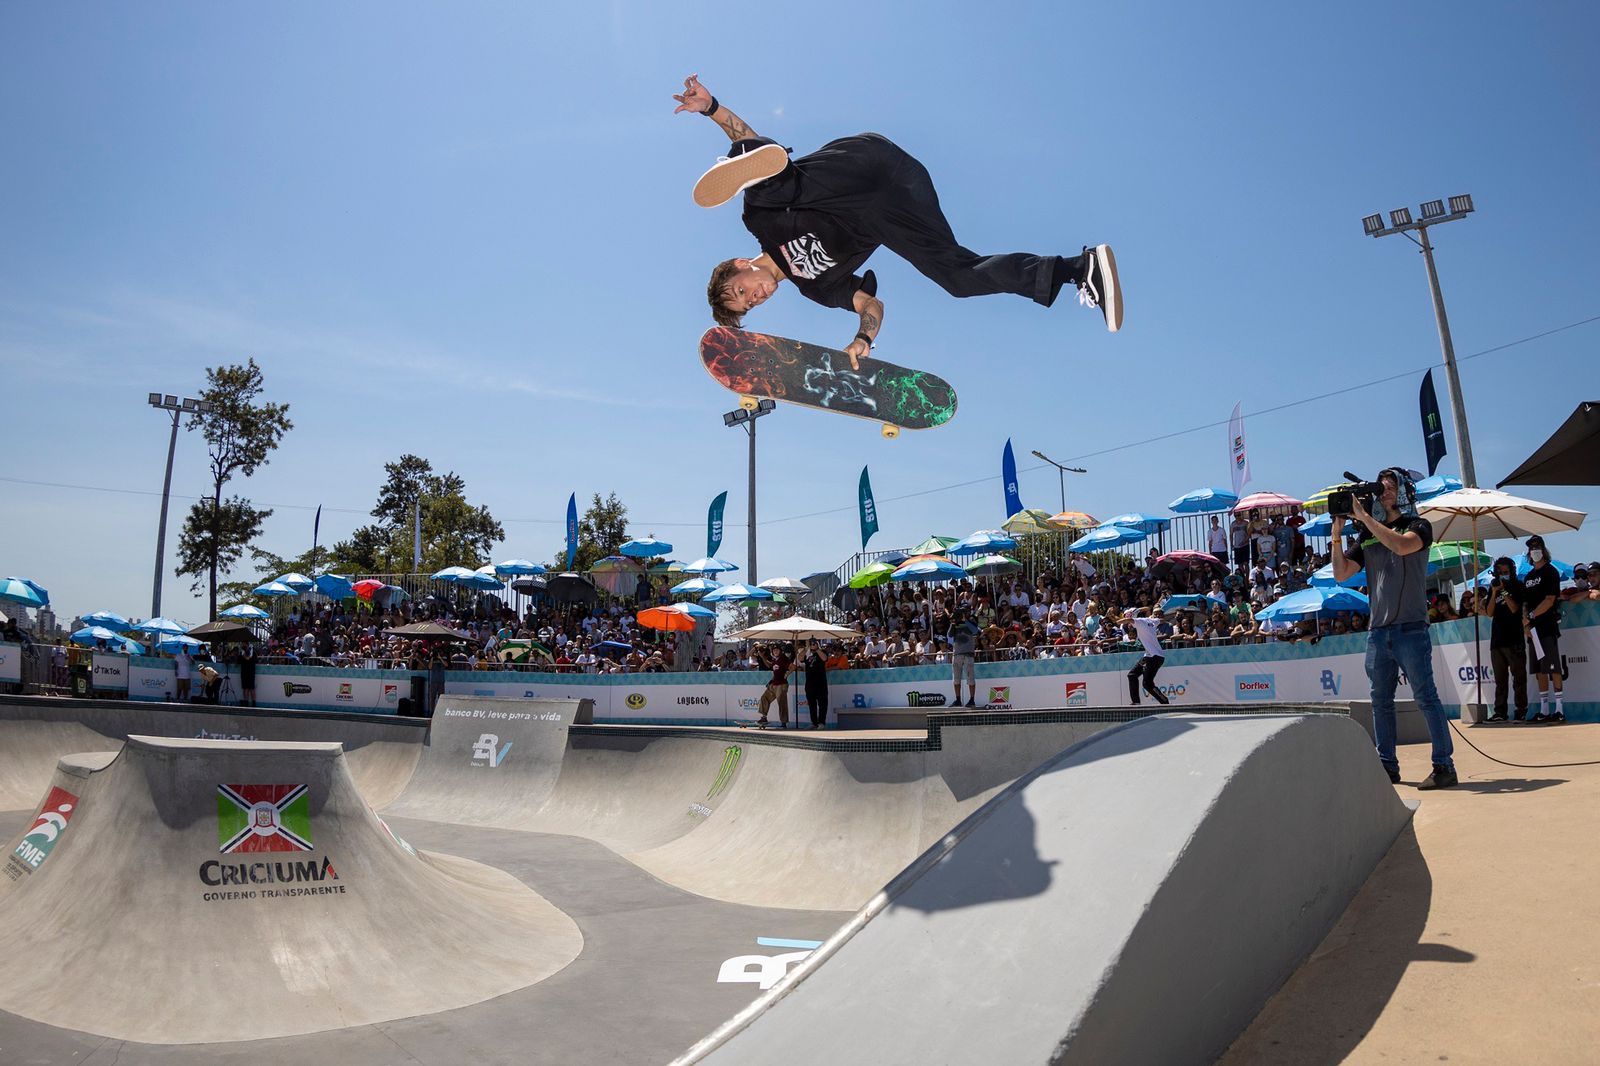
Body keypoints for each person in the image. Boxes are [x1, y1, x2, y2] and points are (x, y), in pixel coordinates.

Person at [673, 74, 1123, 367]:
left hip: (859, 165)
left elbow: (755, 146)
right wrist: (863, 339)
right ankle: (1079, 268)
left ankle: (752, 164)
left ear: (739, 264)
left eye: (742, 290)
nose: (755, 297)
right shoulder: (816, 287)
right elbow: (872, 306)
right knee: (957, 277)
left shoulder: (759, 223)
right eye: (749, 305)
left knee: (770, 196)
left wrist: (713, 109)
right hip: (899, 199)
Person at [1332, 469, 1455, 789]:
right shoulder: (1368, 535)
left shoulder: (1418, 526)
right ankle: (1387, 766)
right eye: (1380, 489)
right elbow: (1342, 573)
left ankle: (1444, 765)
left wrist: (1366, 519)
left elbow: (1402, 547)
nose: (1383, 493)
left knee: (1426, 697)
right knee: (1380, 701)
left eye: (1389, 487)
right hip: (1379, 631)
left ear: (1403, 491)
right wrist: (1337, 534)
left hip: (1411, 627)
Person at [1520, 535, 1565, 723]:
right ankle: (1544, 709)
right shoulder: (1529, 576)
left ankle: (1560, 709)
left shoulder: (1551, 572)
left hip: (1547, 626)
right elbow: (1525, 603)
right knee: (1539, 670)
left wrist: (1531, 616)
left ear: (1543, 550)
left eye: (1537, 547)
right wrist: (1526, 623)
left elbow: (1549, 600)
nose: (1534, 550)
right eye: (1532, 548)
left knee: (1553, 666)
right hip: (1533, 630)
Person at [1478, 557, 1527, 723]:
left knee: (1518, 678)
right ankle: (1500, 712)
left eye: (1505, 572)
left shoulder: (1518, 586)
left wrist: (1504, 591)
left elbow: (1514, 608)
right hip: (1497, 640)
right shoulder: (1494, 588)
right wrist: (1494, 593)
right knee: (1500, 680)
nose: (1502, 575)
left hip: (1514, 639)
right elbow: (1490, 612)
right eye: (1500, 572)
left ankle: (1521, 710)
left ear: (1511, 571)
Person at [1123, 609, 1169, 705]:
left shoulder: (1139, 621)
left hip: (1154, 657)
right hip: (1150, 656)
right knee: (1132, 675)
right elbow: (1161, 620)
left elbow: (1125, 621)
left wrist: (1117, 619)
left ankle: (1164, 701)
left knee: (1147, 683)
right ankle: (1136, 702)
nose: (1131, 625)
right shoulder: (1151, 621)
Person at [948, 610, 980, 708]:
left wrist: (965, 620)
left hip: (968, 654)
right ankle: (958, 699)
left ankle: (972, 699)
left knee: (970, 678)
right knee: (956, 679)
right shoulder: (954, 624)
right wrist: (953, 623)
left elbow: (975, 631)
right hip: (957, 653)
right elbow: (950, 635)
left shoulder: (970, 622)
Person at [755, 645, 792, 729]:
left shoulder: (783, 658)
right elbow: (769, 666)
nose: (775, 651)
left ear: (780, 651)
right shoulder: (775, 660)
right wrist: (762, 657)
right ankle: (764, 718)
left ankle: (783, 723)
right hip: (774, 684)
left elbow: (793, 667)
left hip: (781, 684)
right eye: (774, 650)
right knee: (764, 698)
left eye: (777, 650)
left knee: (782, 703)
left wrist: (787, 674)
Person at [802, 644, 830, 730]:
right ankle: (813, 722)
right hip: (810, 683)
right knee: (812, 704)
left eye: (814, 643)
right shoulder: (807, 654)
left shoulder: (822, 652)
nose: (812, 645)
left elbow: (825, 658)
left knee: (822, 703)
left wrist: (817, 649)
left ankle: (821, 722)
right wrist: (806, 648)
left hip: (821, 683)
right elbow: (799, 658)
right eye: (811, 644)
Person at [238, 643, 257, 708]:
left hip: (247, 672)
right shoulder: (252, 653)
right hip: (249, 673)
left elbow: (238, 661)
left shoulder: (251, 653)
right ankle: (251, 703)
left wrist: (244, 656)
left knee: (249, 688)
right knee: (249, 688)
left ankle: (249, 703)